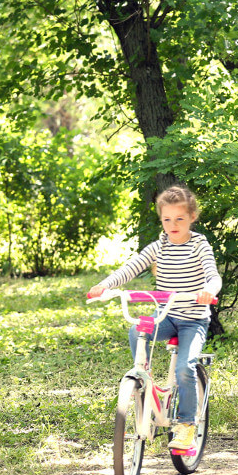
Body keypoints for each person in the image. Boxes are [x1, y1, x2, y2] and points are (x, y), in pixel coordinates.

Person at [88, 186, 222, 449]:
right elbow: (131, 267)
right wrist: (105, 286)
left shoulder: (199, 244)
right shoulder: (159, 246)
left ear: (192, 217)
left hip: (193, 319)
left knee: (185, 369)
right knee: (137, 329)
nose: (173, 225)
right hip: (165, 314)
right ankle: (143, 382)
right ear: (161, 219)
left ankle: (186, 426)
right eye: (167, 219)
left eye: (180, 219)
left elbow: (212, 274)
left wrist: (209, 290)